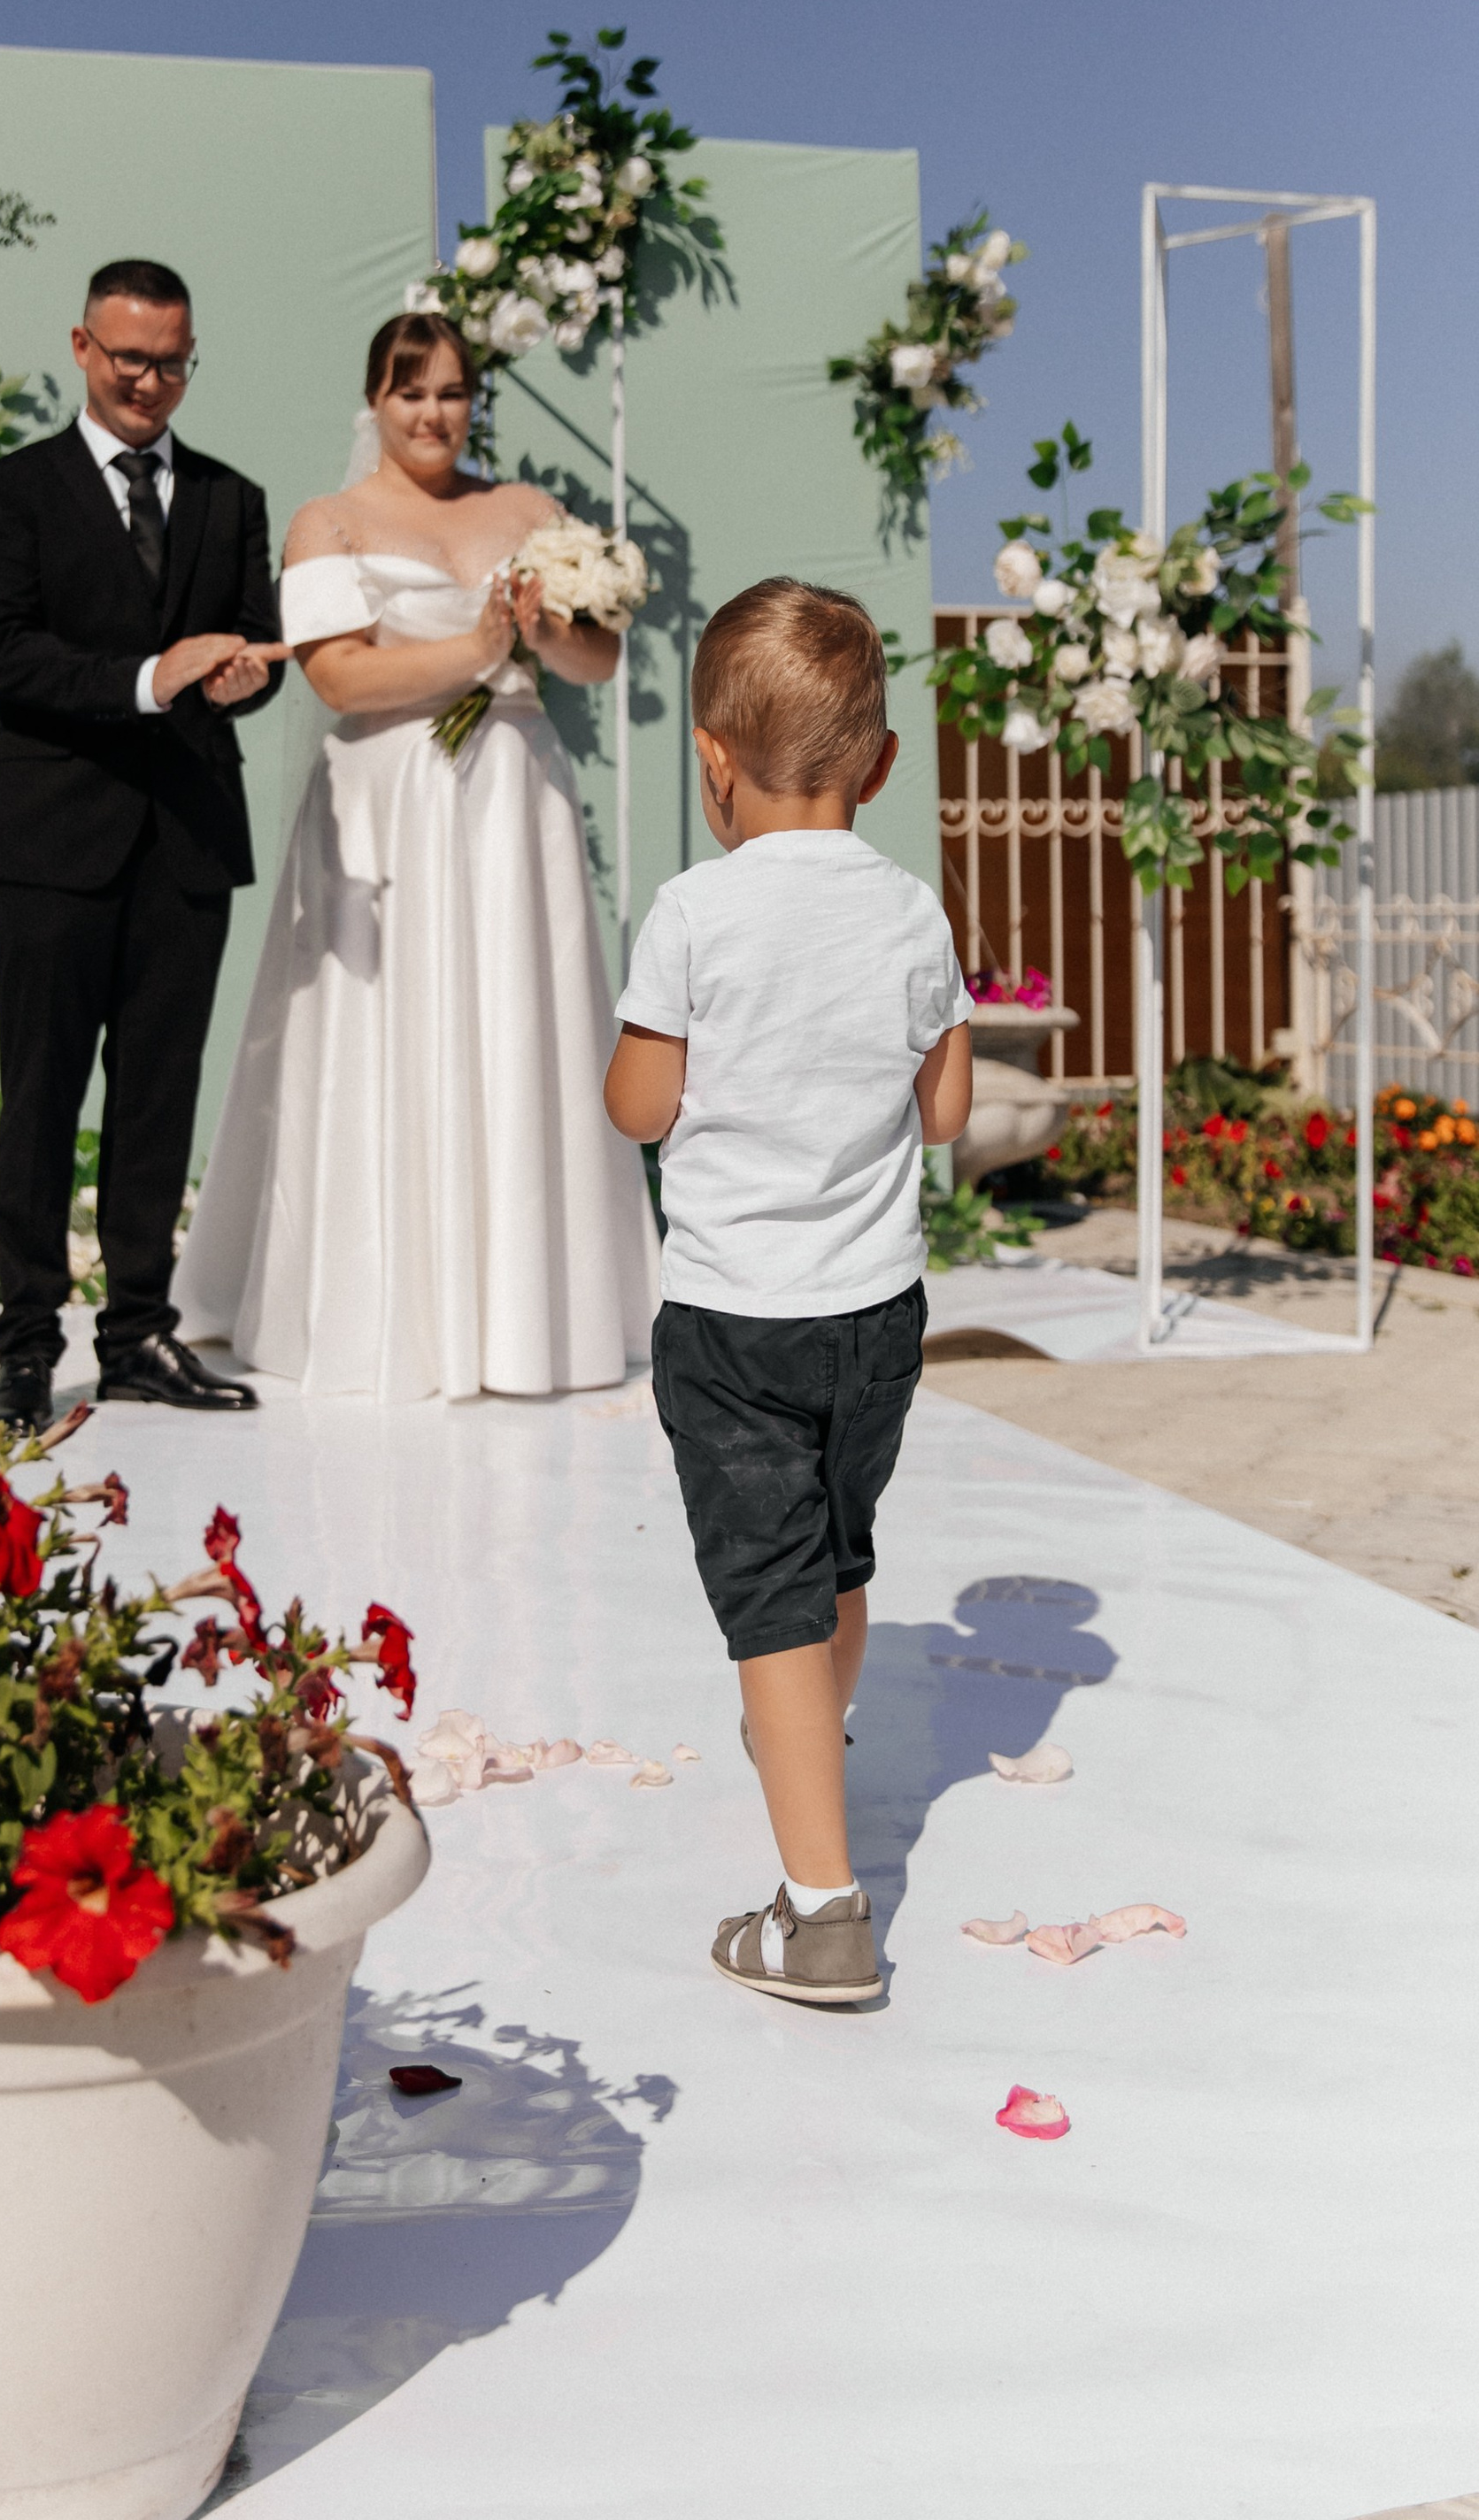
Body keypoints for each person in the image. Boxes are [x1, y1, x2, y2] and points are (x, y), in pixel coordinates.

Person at [173, 311, 659, 1401]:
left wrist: (541, 634)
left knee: (517, 1025)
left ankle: (538, 1314)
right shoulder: (327, 522)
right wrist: (476, 650)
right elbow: (340, 679)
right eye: (409, 393)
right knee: (395, 1031)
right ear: (374, 402)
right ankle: (386, 1310)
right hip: (389, 803)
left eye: (448, 391)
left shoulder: (529, 512)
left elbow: (595, 658)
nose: (432, 413)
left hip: (512, 803)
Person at [603, 574, 972, 2007]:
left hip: (735, 1320)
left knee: (766, 1599)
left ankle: (820, 1914)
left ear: (712, 758)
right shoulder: (914, 916)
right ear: (878, 764)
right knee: (836, 1558)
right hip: (874, 1318)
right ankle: (812, 1736)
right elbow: (942, 1112)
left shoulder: (693, 915)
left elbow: (640, 1106)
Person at [0, 257, 287, 1433]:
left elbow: (252, 645)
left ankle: (140, 1333)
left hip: (188, 844)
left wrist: (242, 677)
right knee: (42, 1101)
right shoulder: (10, 494)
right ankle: (28, 1345)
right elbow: (5, 654)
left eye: (174, 361)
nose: (152, 380)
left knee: (158, 1100)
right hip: (51, 844)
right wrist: (156, 678)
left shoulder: (230, 498)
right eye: (131, 357)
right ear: (84, 349)